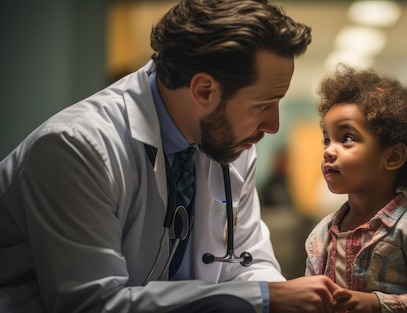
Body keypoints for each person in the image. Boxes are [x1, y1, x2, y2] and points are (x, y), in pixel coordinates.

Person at [0, 1, 343, 312]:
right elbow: (92, 304)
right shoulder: (77, 148)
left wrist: (282, 299)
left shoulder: (228, 144)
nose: (273, 125)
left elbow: (249, 261)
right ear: (203, 90)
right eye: (263, 106)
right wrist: (262, 299)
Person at [304, 65, 407, 313]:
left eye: (347, 138)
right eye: (327, 139)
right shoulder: (319, 235)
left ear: (393, 156)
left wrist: (375, 303)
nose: (328, 151)